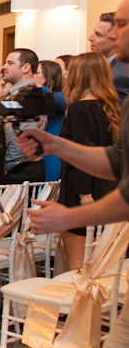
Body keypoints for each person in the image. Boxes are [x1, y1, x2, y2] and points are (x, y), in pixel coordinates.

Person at [16, 0, 129, 348]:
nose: (111, 34)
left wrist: (71, 215)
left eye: (120, 24)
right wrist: (54, 142)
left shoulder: (89, 103)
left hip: (86, 206)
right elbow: (116, 159)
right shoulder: (119, 98)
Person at [56, 52, 119, 270]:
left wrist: (84, 195)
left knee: (78, 266)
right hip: (109, 190)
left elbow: (83, 155)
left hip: (83, 193)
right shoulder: (113, 108)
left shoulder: (80, 108)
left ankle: (80, 305)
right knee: (103, 263)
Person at [0, 48, 46, 183]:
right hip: (19, 167)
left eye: (10, 63)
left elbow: (23, 139)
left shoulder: (28, 95)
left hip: (20, 170)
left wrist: (4, 165)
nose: (4, 67)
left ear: (26, 67)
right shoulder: (18, 94)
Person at [35, 59, 67, 181]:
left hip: (50, 154)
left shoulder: (60, 96)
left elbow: (55, 100)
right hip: (35, 153)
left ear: (49, 76)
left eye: (36, 72)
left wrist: (37, 86)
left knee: (47, 191)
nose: (33, 76)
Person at [89, 11, 129, 104]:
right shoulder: (104, 66)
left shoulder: (121, 74)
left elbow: (118, 115)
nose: (90, 38)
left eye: (98, 34)